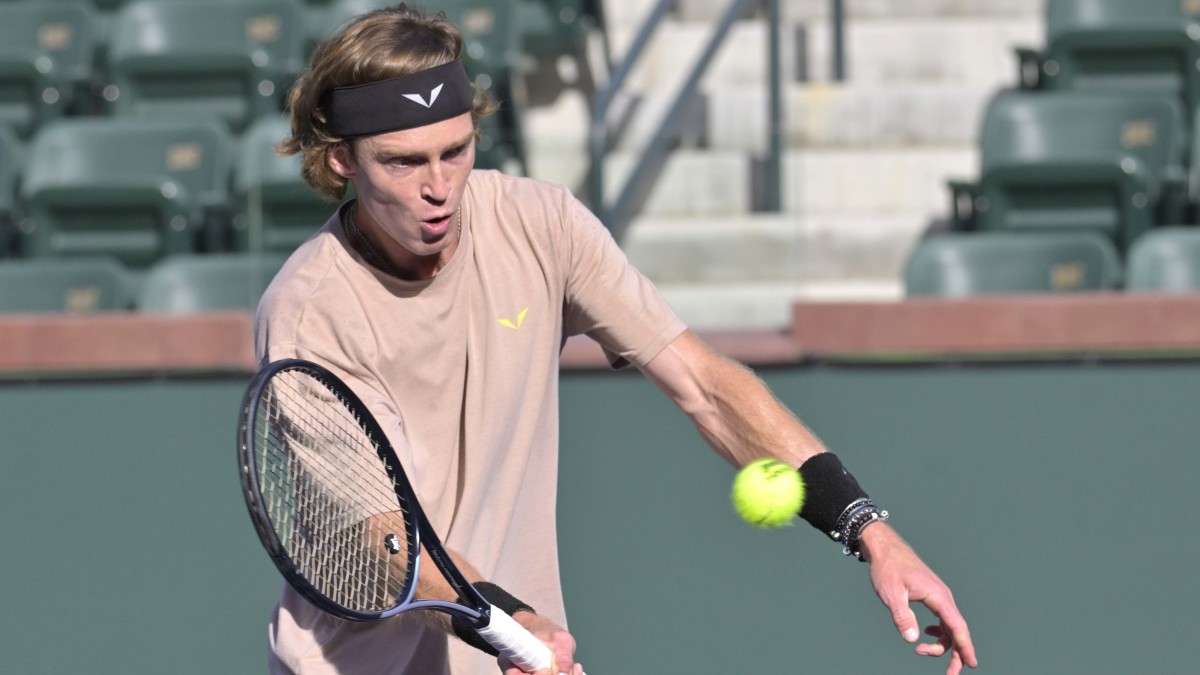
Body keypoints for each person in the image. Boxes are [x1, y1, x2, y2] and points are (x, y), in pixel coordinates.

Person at [256, 4, 977, 675]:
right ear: (343, 161)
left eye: (456, 151)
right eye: (404, 163)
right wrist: (511, 622)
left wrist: (871, 531)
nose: (440, 187)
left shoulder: (542, 224)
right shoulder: (309, 314)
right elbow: (383, 539)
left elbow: (705, 385)